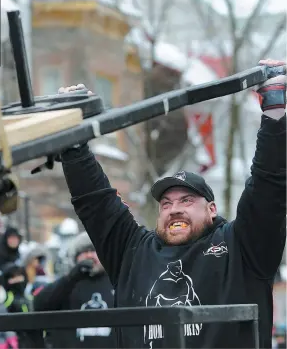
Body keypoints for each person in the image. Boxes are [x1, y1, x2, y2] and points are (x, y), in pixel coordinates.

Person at [57, 59, 286, 348]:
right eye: (166, 203)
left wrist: (275, 107)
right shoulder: (134, 253)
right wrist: (71, 140)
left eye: (187, 200)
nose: (174, 208)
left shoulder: (242, 247)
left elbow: (269, 186)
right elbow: (95, 203)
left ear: (211, 210)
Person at [34, 232, 116, 348]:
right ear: (75, 257)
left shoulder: (116, 282)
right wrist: (71, 277)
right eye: (83, 252)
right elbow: (39, 304)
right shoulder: (67, 284)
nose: (89, 255)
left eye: (93, 250)